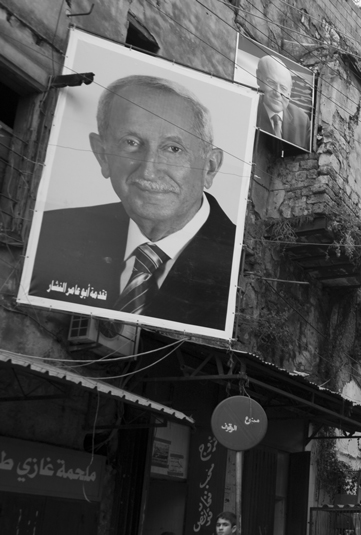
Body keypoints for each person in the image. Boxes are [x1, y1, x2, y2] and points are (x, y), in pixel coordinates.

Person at [28, 75, 236, 331]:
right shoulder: (51, 232)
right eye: (131, 143)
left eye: (173, 149)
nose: (149, 170)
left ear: (210, 167)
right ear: (102, 154)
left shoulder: (239, 270)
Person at [255, 55, 310, 148]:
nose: (277, 93)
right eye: (271, 83)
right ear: (259, 78)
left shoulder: (303, 121)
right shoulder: (247, 107)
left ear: (289, 92)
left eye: (283, 88)